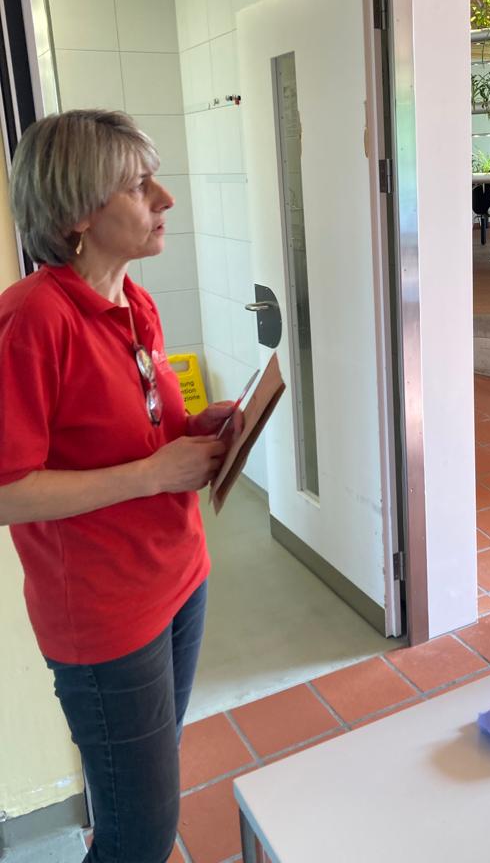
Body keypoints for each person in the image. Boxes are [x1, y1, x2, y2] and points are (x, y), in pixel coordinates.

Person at [0, 109, 243, 863]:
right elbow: (6, 490)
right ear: (78, 213)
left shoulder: (135, 302)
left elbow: (140, 431)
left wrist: (197, 430)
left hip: (178, 578)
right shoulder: (32, 319)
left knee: (144, 791)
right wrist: (152, 473)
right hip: (104, 616)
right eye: (139, 186)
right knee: (140, 834)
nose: (164, 199)